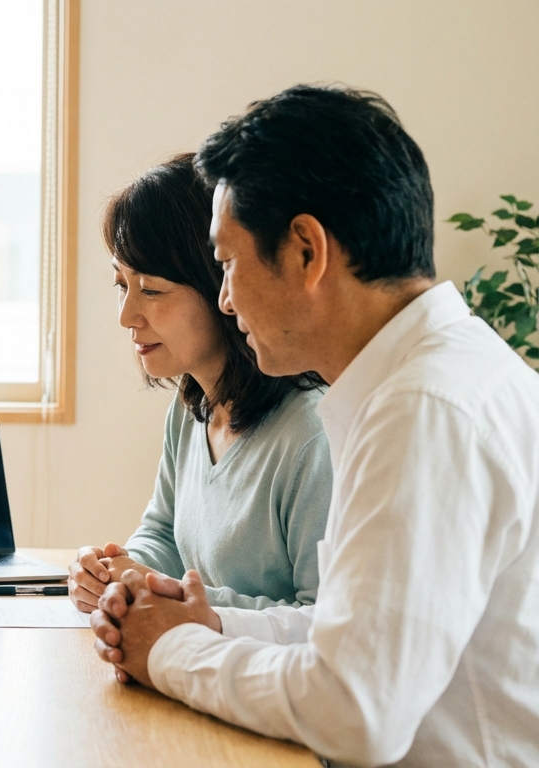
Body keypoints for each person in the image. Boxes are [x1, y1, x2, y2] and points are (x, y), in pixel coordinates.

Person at [90, 85, 539, 766]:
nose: (227, 295)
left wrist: (173, 649)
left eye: (229, 262)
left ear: (306, 250)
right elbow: (353, 633)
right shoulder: (436, 375)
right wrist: (210, 621)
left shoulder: (424, 408)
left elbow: (358, 710)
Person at [68, 154, 330, 615]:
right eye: (121, 285)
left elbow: (323, 618)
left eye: (150, 289)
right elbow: (163, 531)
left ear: (219, 286)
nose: (127, 316)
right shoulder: (192, 408)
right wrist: (116, 572)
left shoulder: (312, 435)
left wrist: (163, 593)